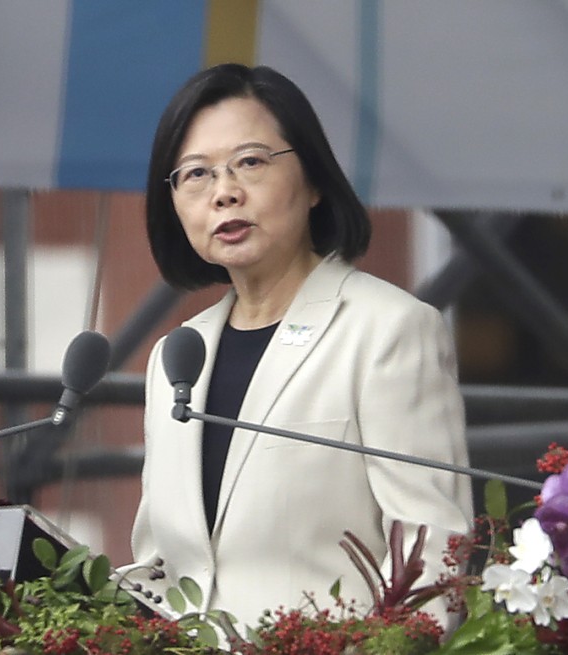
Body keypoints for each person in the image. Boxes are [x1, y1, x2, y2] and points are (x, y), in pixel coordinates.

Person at [121, 63, 473, 633]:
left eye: (251, 162)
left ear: (313, 182)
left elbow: (432, 558)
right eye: (195, 175)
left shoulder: (388, 330)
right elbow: (163, 567)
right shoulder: (177, 357)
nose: (224, 192)